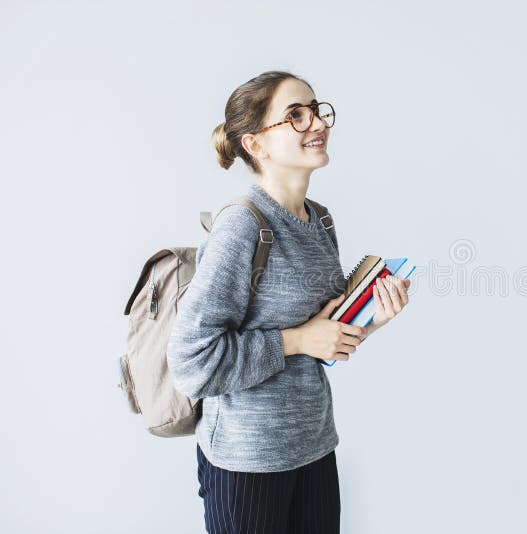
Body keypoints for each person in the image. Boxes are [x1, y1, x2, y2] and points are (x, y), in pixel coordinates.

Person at [166, 71, 411, 533]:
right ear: (255, 144)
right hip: (248, 460)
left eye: (316, 110)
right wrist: (297, 340)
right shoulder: (241, 227)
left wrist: (373, 318)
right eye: (295, 116)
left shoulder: (319, 221)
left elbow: (322, 339)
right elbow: (191, 360)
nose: (316, 122)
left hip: (314, 445)